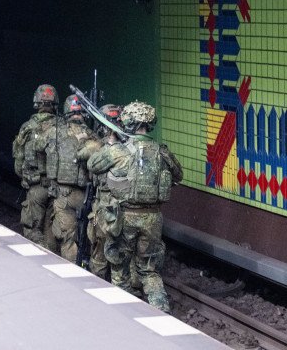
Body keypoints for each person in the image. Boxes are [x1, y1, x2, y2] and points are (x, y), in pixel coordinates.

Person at [87, 101, 182, 313]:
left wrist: (111, 141)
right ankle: (161, 308)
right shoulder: (162, 152)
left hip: (124, 218)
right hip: (153, 219)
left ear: (128, 123)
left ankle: (127, 312)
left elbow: (92, 165)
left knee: (120, 267)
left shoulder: (118, 151)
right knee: (150, 269)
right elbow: (178, 175)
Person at [34, 94, 100, 262]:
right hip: (86, 196)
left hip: (63, 195)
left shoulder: (55, 132)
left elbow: (38, 146)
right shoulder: (91, 135)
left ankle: (71, 270)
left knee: (68, 238)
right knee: (88, 237)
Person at [13, 84, 60, 250]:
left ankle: (39, 260)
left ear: (36, 102)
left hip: (36, 187)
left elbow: (18, 165)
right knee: (51, 232)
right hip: (58, 190)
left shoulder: (27, 127)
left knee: (32, 230)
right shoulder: (62, 128)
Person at [86, 103, 122, 280]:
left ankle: (98, 283)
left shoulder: (99, 148)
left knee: (99, 248)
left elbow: (90, 165)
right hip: (124, 209)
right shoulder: (129, 149)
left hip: (104, 207)